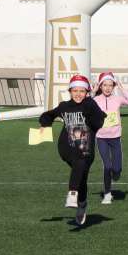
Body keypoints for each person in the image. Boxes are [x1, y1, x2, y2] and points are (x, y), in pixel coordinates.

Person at [39, 74, 105, 226]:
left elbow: (99, 121)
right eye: (74, 90)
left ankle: (81, 205)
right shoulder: (64, 106)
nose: (78, 94)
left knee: (81, 173)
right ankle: (73, 194)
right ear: (70, 91)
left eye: (82, 91)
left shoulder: (90, 105)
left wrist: (91, 113)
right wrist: (44, 124)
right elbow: (49, 115)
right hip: (67, 148)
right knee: (79, 167)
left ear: (87, 92)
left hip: (86, 149)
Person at [93, 71, 128, 204]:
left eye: (110, 85)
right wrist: (93, 91)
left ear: (113, 86)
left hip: (115, 138)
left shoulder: (117, 99)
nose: (107, 88)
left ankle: (116, 173)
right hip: (101, 138)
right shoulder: (95, 100)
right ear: (100, 86)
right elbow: (85, 104)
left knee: (116, 169)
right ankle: (107, 194)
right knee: (107, 166)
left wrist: (122, 88)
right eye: (104, 85)